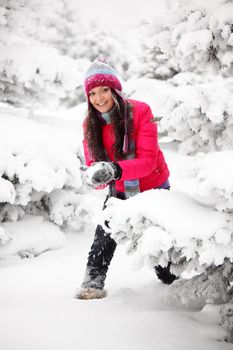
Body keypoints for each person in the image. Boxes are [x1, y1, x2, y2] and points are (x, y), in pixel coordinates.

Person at [76, 58, 177, 300]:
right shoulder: (90, 125)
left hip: (154, 188)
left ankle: (172, 284)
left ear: (115, 90)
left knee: (158, 248)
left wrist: (114, 170)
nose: (99, 98)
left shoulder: (140, 111)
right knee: (104, 235)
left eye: (104, 90)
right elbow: (96, 171)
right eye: (92, 93)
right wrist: (95, 177)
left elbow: (149, 160)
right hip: (118, 190)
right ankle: (92, 284)